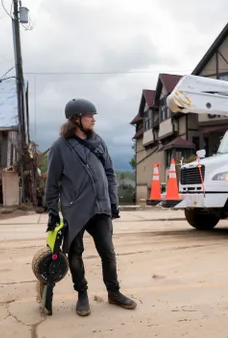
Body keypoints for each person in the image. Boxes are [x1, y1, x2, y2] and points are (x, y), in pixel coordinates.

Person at [44, 98, 138, 317]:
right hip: (75, 210)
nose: (93, 119)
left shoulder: (99, 142)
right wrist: (51, 211)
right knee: (75, 253)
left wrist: (113, 203)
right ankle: (82, 295)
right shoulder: (60, 147)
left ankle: (114, 293)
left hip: (100, 208)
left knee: (108, 252)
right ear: (76, 119)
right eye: (89, 116)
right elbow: (52, 183)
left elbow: (109, 173)